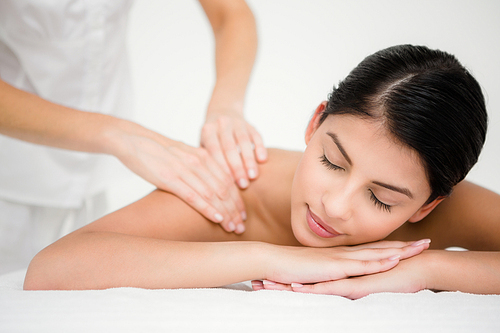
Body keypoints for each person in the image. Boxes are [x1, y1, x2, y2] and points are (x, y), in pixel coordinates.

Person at [23, 45, 500, 298]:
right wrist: (268, 257)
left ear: (428, 205)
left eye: (382, 199)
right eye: (332, 161)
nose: (334, 206)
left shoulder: (433, 212)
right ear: (315, 123)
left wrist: (428, 269)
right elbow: (52, 267)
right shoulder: (237, 184)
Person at [0, 0, 266, 274]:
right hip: (12, 176)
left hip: (93, 182)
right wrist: (117, 134)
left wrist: (225, 107)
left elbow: (231, 12)